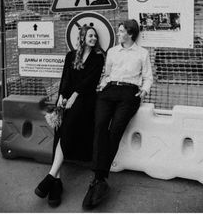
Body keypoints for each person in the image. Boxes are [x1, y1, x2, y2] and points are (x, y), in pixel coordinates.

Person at [82, 19, 153, 209]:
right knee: (99, 127)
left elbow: (148, 77)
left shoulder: (142, 53)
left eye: (121, 31)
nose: (118, 33)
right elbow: (107, 73)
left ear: (130, 34)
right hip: (109, 91)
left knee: (115, 131)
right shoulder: (112, 52)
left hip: (129, 93)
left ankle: (98, 179)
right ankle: (99, 180)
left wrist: (143, 92)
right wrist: (103, 85)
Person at [34, 25, 105, 207]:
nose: (93, 39)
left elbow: (90, 81)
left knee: (68, 124)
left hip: (86, 101)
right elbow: (66, 78)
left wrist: (74, 95)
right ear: (82, 37)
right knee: (60, 129)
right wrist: (61, 97)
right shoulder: (70, 56)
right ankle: (55, 181)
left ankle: (51, 178)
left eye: (95, 36)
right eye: (90, 36)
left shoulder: (98, 58)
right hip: (68, 99)